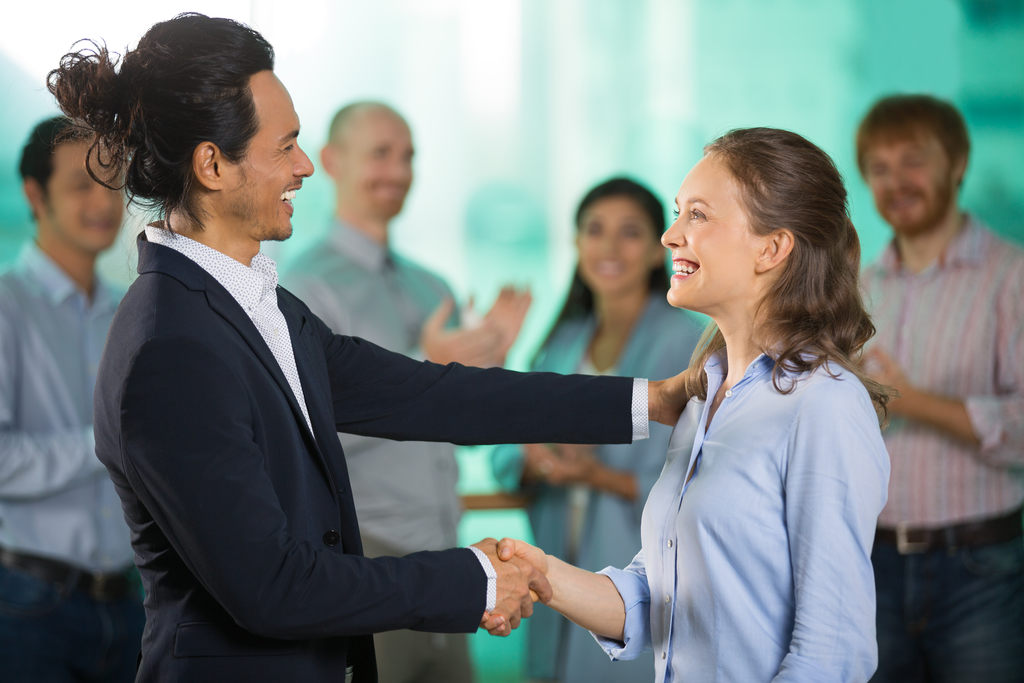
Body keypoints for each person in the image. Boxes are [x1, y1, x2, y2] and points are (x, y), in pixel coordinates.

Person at [47, 14, 691, 683]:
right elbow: (272, 584)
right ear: (213, 164)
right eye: (286, 146)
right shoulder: (171, 347)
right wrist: (472, 578)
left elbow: (430, 394)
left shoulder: (257, 306)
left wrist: (656, 398)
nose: (304, 167)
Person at [489, 127, 892, 682]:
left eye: (697, 215)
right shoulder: (704, 395)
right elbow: (657, 595)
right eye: (678, 212)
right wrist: (545, 575)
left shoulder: (825, 406)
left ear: (771, 248)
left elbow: (832, 655)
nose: (669, 235)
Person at [283, 101, 530, 683]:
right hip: (367, 564)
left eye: (408, 156)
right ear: (332, 161)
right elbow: (307, 435)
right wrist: (431, 367)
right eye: (380, 154)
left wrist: (493, 367)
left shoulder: (432, 287)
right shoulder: (305, 286)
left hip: (448, 559)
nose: (397, 171)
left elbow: (460, 437)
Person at [491, 177, 702, 682]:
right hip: (556, 565)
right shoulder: (563, 340)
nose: (608, 247)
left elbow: (700, 480)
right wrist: (532, 459)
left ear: (659, 250)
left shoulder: (687, 343)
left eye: (629, 232)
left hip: (643, 575)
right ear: (576, 243)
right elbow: (504, 451)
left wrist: (596, 475)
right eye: (594, 230)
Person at [855, 94, 1024, 682]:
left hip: (981, 570)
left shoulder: (1012, 276)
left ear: (958, 162)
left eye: (913, 160)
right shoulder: (854, 288)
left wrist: (910, 400)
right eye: (879, 168)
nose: (896, 181)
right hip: (866, 565)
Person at [0, 116, 142, 682]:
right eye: (82, 184)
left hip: (132, 602)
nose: (104, 201)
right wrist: (106, 443)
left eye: (114, 182)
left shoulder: (133, 313)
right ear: (35, 194)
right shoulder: (7, 308)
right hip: (28, 606)